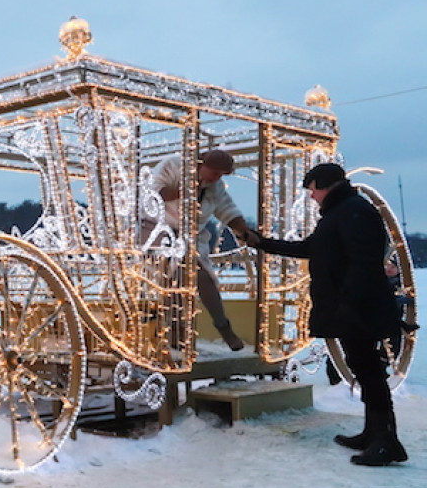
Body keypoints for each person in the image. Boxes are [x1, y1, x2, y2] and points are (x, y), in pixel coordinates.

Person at [242, 163, 407, 466]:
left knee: (370, 372)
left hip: (358, 310)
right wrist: (261, 243)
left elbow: (363, 263)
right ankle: (375, 432)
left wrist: (349, 303)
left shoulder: (352, 211)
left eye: (312, 190)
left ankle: (386, 440)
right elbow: (311, 249)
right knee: (365, 368)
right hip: (353, 309)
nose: (312, 197)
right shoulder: (342, 212)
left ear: (321, 184)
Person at [150, 149, 254, 351]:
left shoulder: (215, 187)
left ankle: (218, 326)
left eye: (222, 175)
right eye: (215, 173)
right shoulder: (172, 165)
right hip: (158, 231)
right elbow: (154, 193)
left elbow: (227, 209)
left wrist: (244, 230)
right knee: (174, 277)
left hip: (192, 237)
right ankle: (173, 331)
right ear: (201, 164)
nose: (217, 178)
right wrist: (186, 191)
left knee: (202, 277)